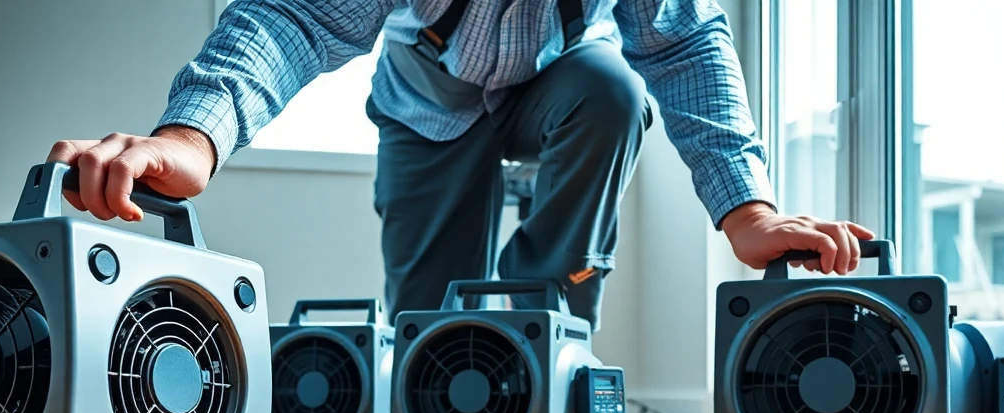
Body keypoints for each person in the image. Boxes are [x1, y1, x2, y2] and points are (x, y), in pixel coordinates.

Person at [47, 0, 872, 330]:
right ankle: (462, 333)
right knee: (429, 335)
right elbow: (295, 16)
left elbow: (684, 45)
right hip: (425, 100)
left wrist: (748, 212)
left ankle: (546, 329)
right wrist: (192, 136)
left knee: (613, 92)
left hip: (562, 81)